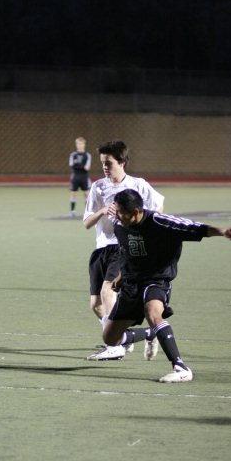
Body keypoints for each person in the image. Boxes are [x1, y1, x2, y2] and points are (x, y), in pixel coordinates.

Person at [101, 188, 231, 382]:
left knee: (153, 312)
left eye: (122, 212)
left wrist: (223, 231)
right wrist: (121, 276)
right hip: (131, 283)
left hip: (156, 279)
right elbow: (128, 252)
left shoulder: (161, 222)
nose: (118, 215)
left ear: (137, 211)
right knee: (109, 339)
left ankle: (181, 368)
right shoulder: (119, 225)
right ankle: (152, 332)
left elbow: (196, 227)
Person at [83, 140, 164, 361]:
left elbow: (158, 207)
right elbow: (86, 223)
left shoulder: (138, 185)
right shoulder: (98, 187)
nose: (105, 168)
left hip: (124, 247)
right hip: (101, 249)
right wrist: (101, 211)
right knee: (97, 305)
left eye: (108, 163)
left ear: (122, 162)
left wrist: (140, 231)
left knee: (107, 292)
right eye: (102, 164)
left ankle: (115, 346)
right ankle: (135, 335)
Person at [69, 137, 91, 217]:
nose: (80, 145)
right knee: (73, 193)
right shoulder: (73, 155)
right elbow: (72, 165)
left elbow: (87, 167)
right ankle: (72, 211)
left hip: (84, 176)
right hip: (75, 176)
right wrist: (81, 166)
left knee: (86, 193)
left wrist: (78, 165)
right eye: (78, 144)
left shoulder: (87, 155)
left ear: (84, 145)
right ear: (76, 145)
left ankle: (87, 211)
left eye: (81, 144)